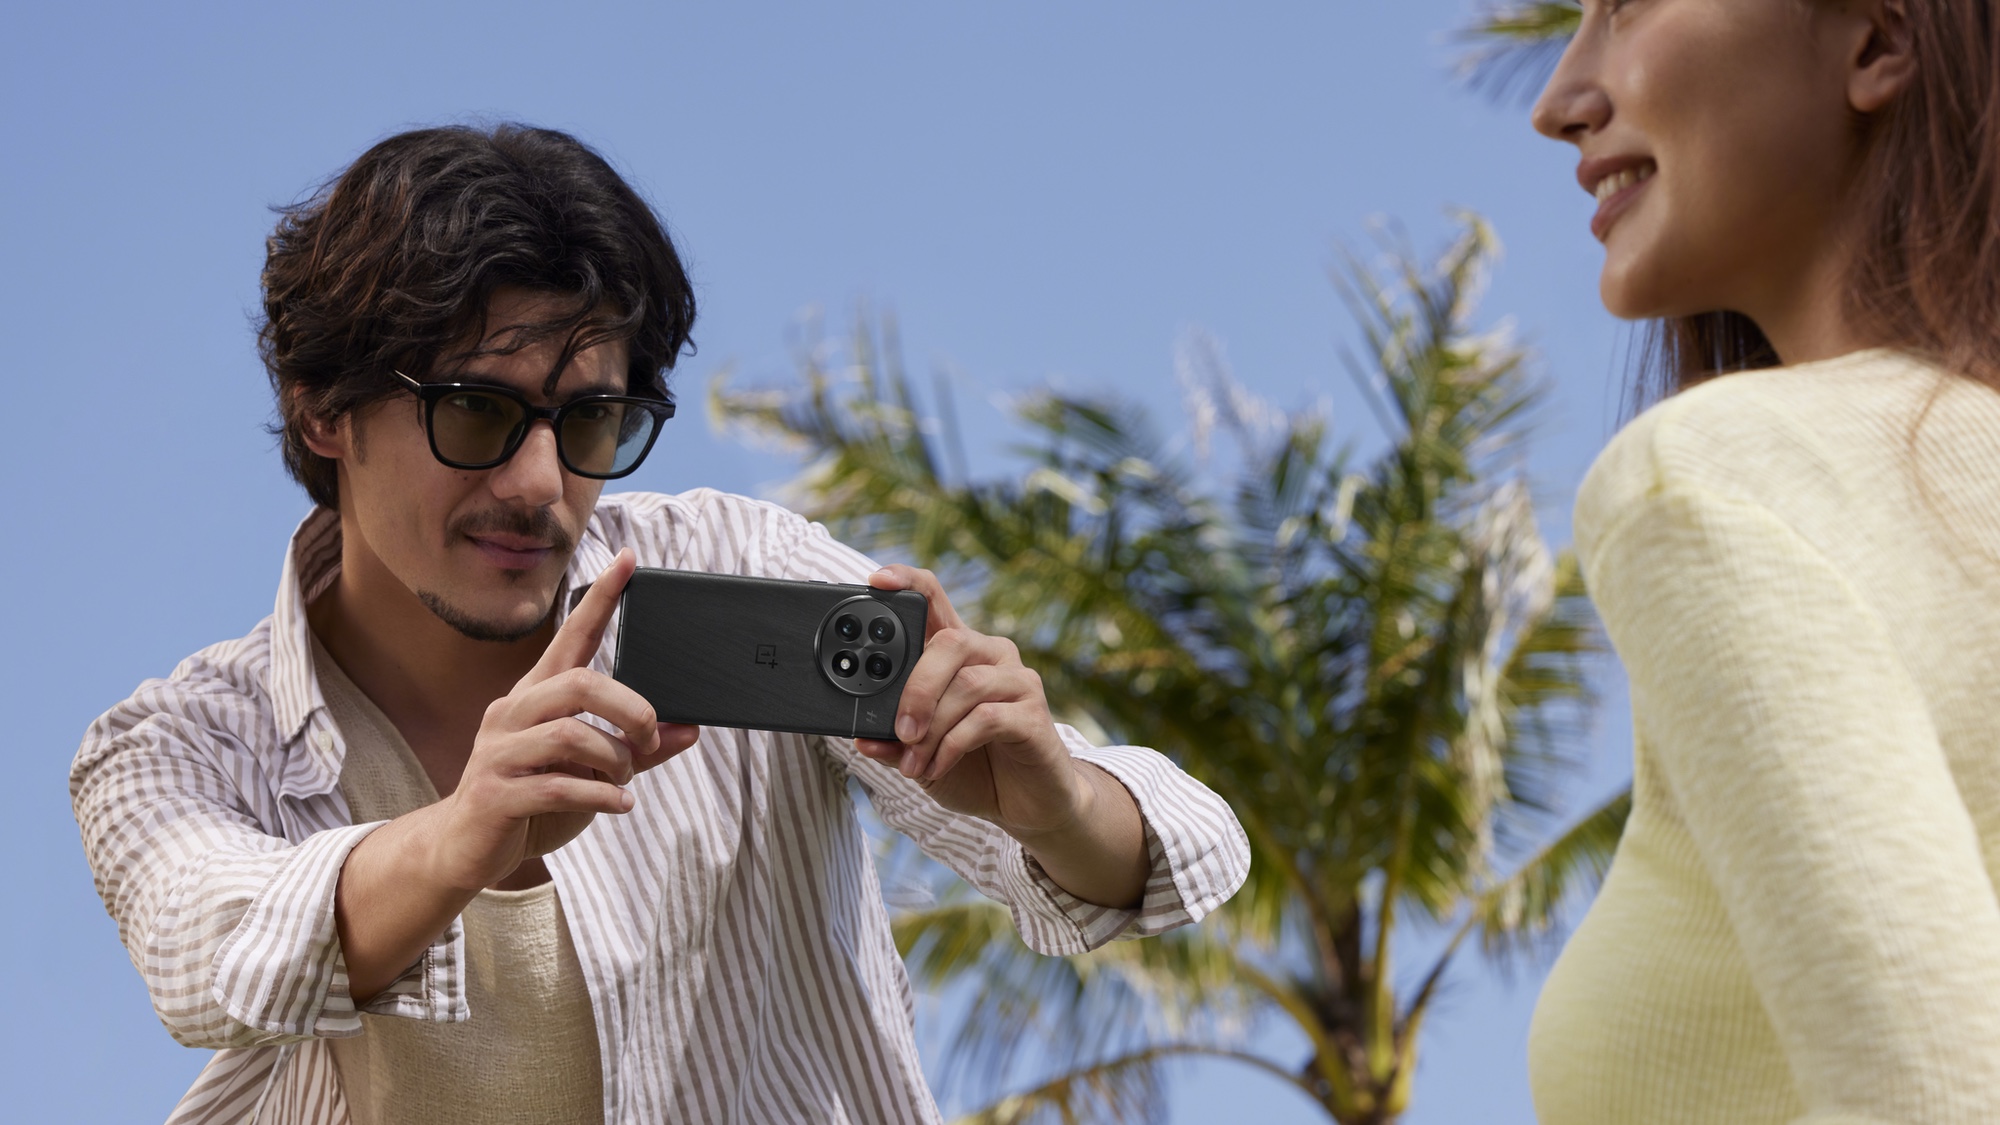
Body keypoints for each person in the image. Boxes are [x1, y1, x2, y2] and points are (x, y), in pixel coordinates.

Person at [70, 124, 1250, 1125]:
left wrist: (1054, 804)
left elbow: (1185, 849)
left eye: (591, 421)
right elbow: (204, 952)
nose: (540, 483)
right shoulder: (176, 745)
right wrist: (467, 835)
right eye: (475, 412)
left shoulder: (731, 567)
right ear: (322, 411)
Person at [1526, 1, 2000, 1121]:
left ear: (1877, 41)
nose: (1557, 102)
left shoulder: (1712, 478)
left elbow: (1932, 1095)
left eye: (1626, 7)